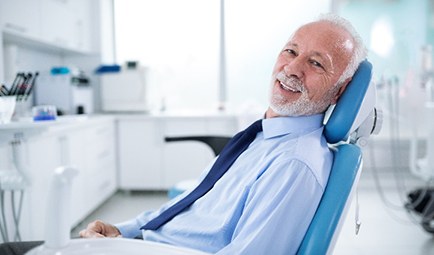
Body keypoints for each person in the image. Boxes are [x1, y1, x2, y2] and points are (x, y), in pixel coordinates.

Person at [0, 13, 367, 255]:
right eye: (291, 51)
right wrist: (125, 231)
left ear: (341, 90)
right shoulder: (267, 137)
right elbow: (196, 204)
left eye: (316, 63)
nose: (293, 68)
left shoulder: (294, 164)